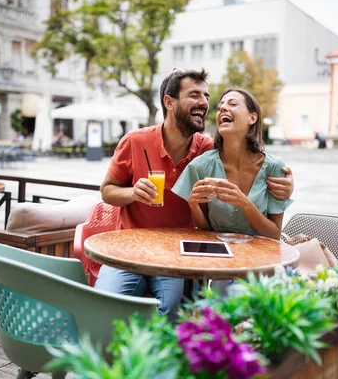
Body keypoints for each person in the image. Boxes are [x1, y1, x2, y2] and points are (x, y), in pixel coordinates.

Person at [95, 71, 294, 316]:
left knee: (174, 309)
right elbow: (107, 191)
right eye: (194, 95)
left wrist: (286, 184)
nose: (205, 102)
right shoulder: (135, 141)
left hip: (180, 252)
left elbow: (247, 156)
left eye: (206, 96)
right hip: (130, 246)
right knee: (102, 304)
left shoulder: (207, 150)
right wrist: (133, 193)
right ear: (169, 102)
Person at [172, 87, 292, 241]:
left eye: (233, 104)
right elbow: (206, 231)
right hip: (219, 257)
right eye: (220, 106)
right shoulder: (201, 166)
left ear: (252, 118)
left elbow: (273, 235)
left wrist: (244, 204)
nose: (222, 108)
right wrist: (194, 206)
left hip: (261, 259)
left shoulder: (274, 167)